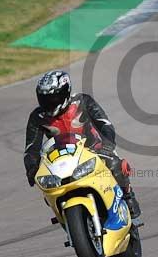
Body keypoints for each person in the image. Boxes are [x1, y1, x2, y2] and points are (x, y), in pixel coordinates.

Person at [23, 70, 141, 218]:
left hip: (94, 149)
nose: (49, 103)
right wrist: (31, 168)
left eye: (53, 98)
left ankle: (128, 196)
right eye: (44, 99)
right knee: (47, 187)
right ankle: (65, 217)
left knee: (115, 164)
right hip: (61, 157)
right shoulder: (37, 117)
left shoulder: (82, 101)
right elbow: (31, 148)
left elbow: (105, 124)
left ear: (65, 92)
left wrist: (107, 144)